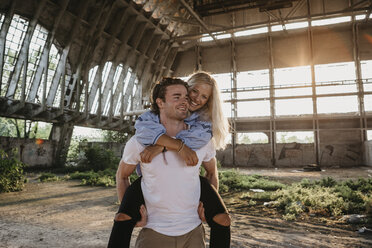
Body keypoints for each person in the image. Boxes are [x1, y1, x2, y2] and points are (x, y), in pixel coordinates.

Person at [108, 73, 231, 247]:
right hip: (155, 229)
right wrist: (133, 214)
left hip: (192, 229)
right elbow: (122, 174)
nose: (193, 100)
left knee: (223, 219)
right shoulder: (144, 132)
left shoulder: (203, 130)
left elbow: (211, 170)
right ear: (160, 102)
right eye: (192, 93)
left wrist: (163, 146)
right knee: (122, 218)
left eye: (204, 97)